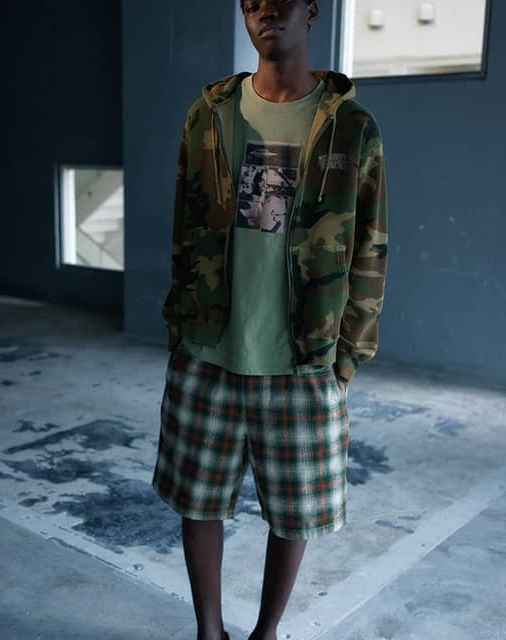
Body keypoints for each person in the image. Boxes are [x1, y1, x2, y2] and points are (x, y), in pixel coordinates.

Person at [152, 0, 388, 638]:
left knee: (294, 511)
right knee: (197, 501)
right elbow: (183, 223)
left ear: (312, 11)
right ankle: (209, 631)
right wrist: (179, 324)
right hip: (208, 347)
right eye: (251, 1)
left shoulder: (350, 126)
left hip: (303, 355)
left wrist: (348, 355)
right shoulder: (210, 113)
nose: (265, 10)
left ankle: (266, 632)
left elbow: (370, 243)